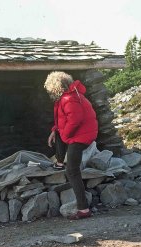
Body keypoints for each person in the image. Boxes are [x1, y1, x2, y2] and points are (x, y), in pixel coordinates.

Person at [44, 71, 98, 220]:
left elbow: (75, 120)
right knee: (60, 135)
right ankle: (60, 162)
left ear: (55, 86)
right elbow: (63, 119)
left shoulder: (69, 99)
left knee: (72, 171)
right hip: (81, 134)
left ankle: (83, 209)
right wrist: (55, 131)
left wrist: (65, 135)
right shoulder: (69, 97)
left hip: (81, 136)